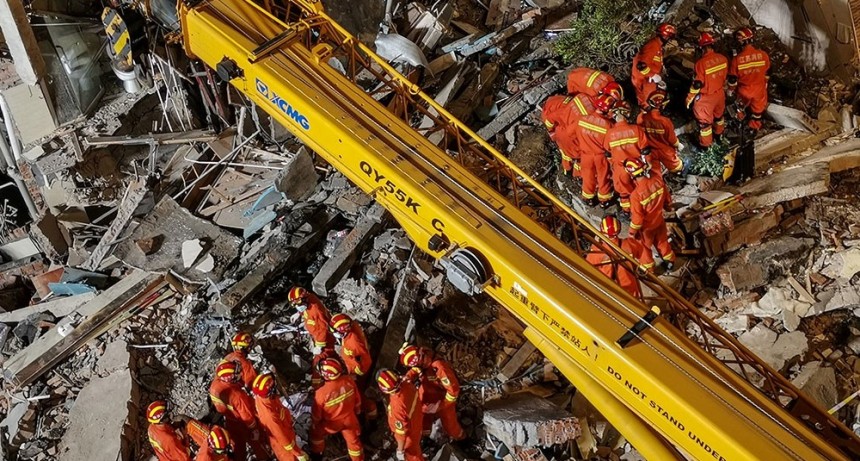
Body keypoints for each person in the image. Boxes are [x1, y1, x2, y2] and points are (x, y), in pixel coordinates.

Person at [399, 345, 465, 441]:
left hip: (443, 397)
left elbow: (453, 391)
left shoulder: (439, 367)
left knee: (450, 424)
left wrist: (440, 406)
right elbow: (416, 369)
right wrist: (408, 377)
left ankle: (461, 438)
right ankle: (425, 435)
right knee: (423, 414)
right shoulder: (423, 357)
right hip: (428, 388)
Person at [209, 360, 268, 460]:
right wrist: (254, 429)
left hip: (229, 420)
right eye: (235, 374)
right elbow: (247, 416)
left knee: (238, 446)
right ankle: (264, 458)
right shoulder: (237, 396)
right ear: (228, 378)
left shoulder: (214, 386)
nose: (239, 374)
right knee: (258, 444)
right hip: (243, 423)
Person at [310, 358, 364, 461]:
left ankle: (317, 455)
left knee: (316, 434)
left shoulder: (321, 393)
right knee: (354, 443)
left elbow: (317, 415)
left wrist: (315, 423)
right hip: (350, 418)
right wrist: (357, 411)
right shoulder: (349, 380)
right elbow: (357, 399)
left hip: (331, 424)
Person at [626, 158, 675, 270]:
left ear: (632, 175)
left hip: (646, 229)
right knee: (662, 242)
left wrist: (632, 232)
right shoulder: (657, 181)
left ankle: (649, 270)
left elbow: (638, 218)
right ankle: (670, 261)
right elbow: (667, 200)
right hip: (659, 221)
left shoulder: (636, 195)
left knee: (644, 248)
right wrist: (668, 207)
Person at [586, 216, 651, 297]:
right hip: (630, 287)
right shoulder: (629, 244)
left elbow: (587, 269)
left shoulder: (596, 251)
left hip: (611, 290)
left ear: (602, 231)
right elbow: (643, 252)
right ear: (619, 229)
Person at [251, 373, 309, 461]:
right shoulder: (269, 416)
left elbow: (280, 408)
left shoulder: (267, 398)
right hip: (285, 449)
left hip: (287, 431)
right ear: (270, 391)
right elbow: (283, 439)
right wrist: (298, 453)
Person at [604, 102, 649, 212]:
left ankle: (628, 212)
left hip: (620, 169)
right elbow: (645, 150)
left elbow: (607, 153)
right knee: (641, 190)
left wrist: (612, 165)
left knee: (624, 193)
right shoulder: (636, 129)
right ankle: (642, 210)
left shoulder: (610, 134)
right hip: (637, 167)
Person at [331, 313, 377, 418]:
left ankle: (371, 412)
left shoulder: (354, 342)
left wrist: (356, 374)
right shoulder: (351, 330)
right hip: (353, 368)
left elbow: (364, 359)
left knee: (359, 394)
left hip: (358, 372)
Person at [686, 32, 728, 147]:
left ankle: (706, 146)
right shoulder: (723, 59)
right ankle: (719, 136)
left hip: (706, 99)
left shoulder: (701, 64)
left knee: (705, 125)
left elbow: (697, 84)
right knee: (719, 117)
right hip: (720, 94)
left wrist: (689, 98)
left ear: (701, 48)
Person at [541, 93, 595, 177]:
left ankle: (567, 171)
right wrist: (552, 132)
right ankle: (576, 175)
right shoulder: (571, 115)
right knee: (579, 156)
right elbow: (550, 119)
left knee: (566, 153)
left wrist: (552, 132)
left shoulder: (584, 99)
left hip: (561, 129)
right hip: (566, 135)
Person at [575, 94, 615, 207]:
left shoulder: (581, 119)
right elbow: (609, 146)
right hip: (600, 156)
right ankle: (604, 199)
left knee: (587, 176)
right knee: (603, 176)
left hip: (585, 155)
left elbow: (572, 134)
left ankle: (588, 198)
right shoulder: (609, 125)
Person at [728, 27, 771, 131]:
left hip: (744, 91)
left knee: (740, 107)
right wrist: (765, 82)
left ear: (740, 41)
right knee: (757, 112)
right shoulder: (763, 55)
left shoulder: (737, 59)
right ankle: (754, 128)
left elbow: (733, 79)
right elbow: (768, 71)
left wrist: (730, 91)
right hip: (759, 90)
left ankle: (740, 123)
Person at [377, 369, 424, 461]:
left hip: (410, 434)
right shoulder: (406, 384)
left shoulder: (398, 406)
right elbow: (408, 376)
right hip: (416, 420)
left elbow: (401, 434)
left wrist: (400, 450)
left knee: (413, 455)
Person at [637, 89, 684, 176]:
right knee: (678, 168)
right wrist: (678, 145)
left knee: (654, 173)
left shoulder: (641, 118)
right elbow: (672, 140)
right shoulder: (665, 121)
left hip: (650, 151)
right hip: (665, 151)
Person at [631, 23, 675, 108]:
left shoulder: (658, 46)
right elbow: (641, 65)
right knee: (648, 103)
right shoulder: (652, 46)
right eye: (670, 38)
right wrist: (653, 76)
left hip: (647, 79)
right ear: (666, 36)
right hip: (644, 80)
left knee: (649, 100)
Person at [288, 286, 335, 353]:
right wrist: (299, 313)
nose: (297, 307)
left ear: (304, 299)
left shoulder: (315, 311)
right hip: (315, 329)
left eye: (298, 304)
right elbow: (303, 307)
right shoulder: (309, 298)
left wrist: (319, 346)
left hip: (325, 338)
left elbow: (323, 330)